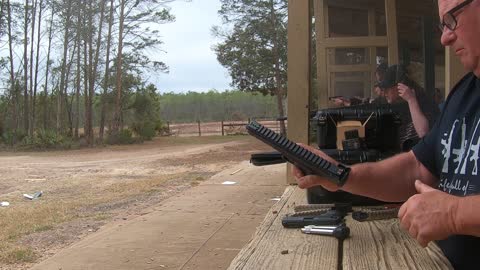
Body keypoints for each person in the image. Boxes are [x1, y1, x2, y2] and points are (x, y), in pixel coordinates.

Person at [294, 1, 480, 269]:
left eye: (453, 19)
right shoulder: (465, 91)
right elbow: (417, 167)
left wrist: (454, 214)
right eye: (442, 25)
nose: (445, 37)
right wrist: (341, 174)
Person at [377, 65, 438, 150]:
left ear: (400, 86)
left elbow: (423, 133)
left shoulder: (424, 103)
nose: (384, 93)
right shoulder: (399, 105)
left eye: (387, 88)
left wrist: (411, 99)